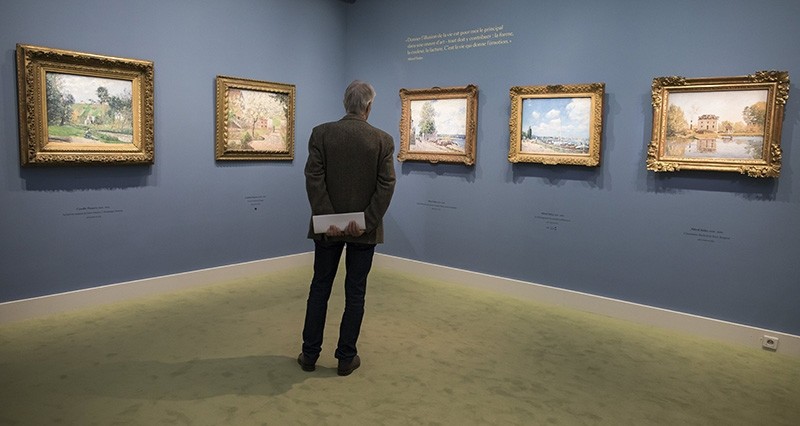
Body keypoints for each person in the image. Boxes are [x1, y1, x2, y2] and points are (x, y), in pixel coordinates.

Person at [298, 80, 396, 376]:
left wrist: (330, 220)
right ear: (369, 106)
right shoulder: (382, 140)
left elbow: (313, 178)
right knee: (355, 293)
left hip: (327, 230)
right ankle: (345, 357)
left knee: (320, 288)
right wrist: (366, 221)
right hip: (364, 232)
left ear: (345, 103)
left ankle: (309, 354)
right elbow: (386, 185)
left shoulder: (321, 134)